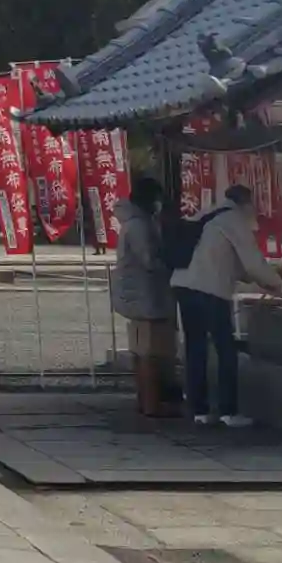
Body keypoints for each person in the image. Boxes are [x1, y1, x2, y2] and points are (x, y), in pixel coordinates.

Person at [169, 183, 282, 428]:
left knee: (196, 347)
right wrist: (278, 284)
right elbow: (253, 263)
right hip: (209, 290)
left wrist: (261, 279)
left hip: (183, 285)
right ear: (246, 203)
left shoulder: (207, 214)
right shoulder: (234, 219)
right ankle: (228, 411)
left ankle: (199, 410)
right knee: (225, 348)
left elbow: (232, 263)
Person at [111, 176, 178, 418]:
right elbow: (149, 259)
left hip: (135, 294)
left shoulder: (131, 222)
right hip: (146, 295)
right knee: (151, 352)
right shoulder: (140, 225)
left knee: (141, 351)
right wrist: (172, 266)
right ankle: (152, 404)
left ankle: (145, 401)